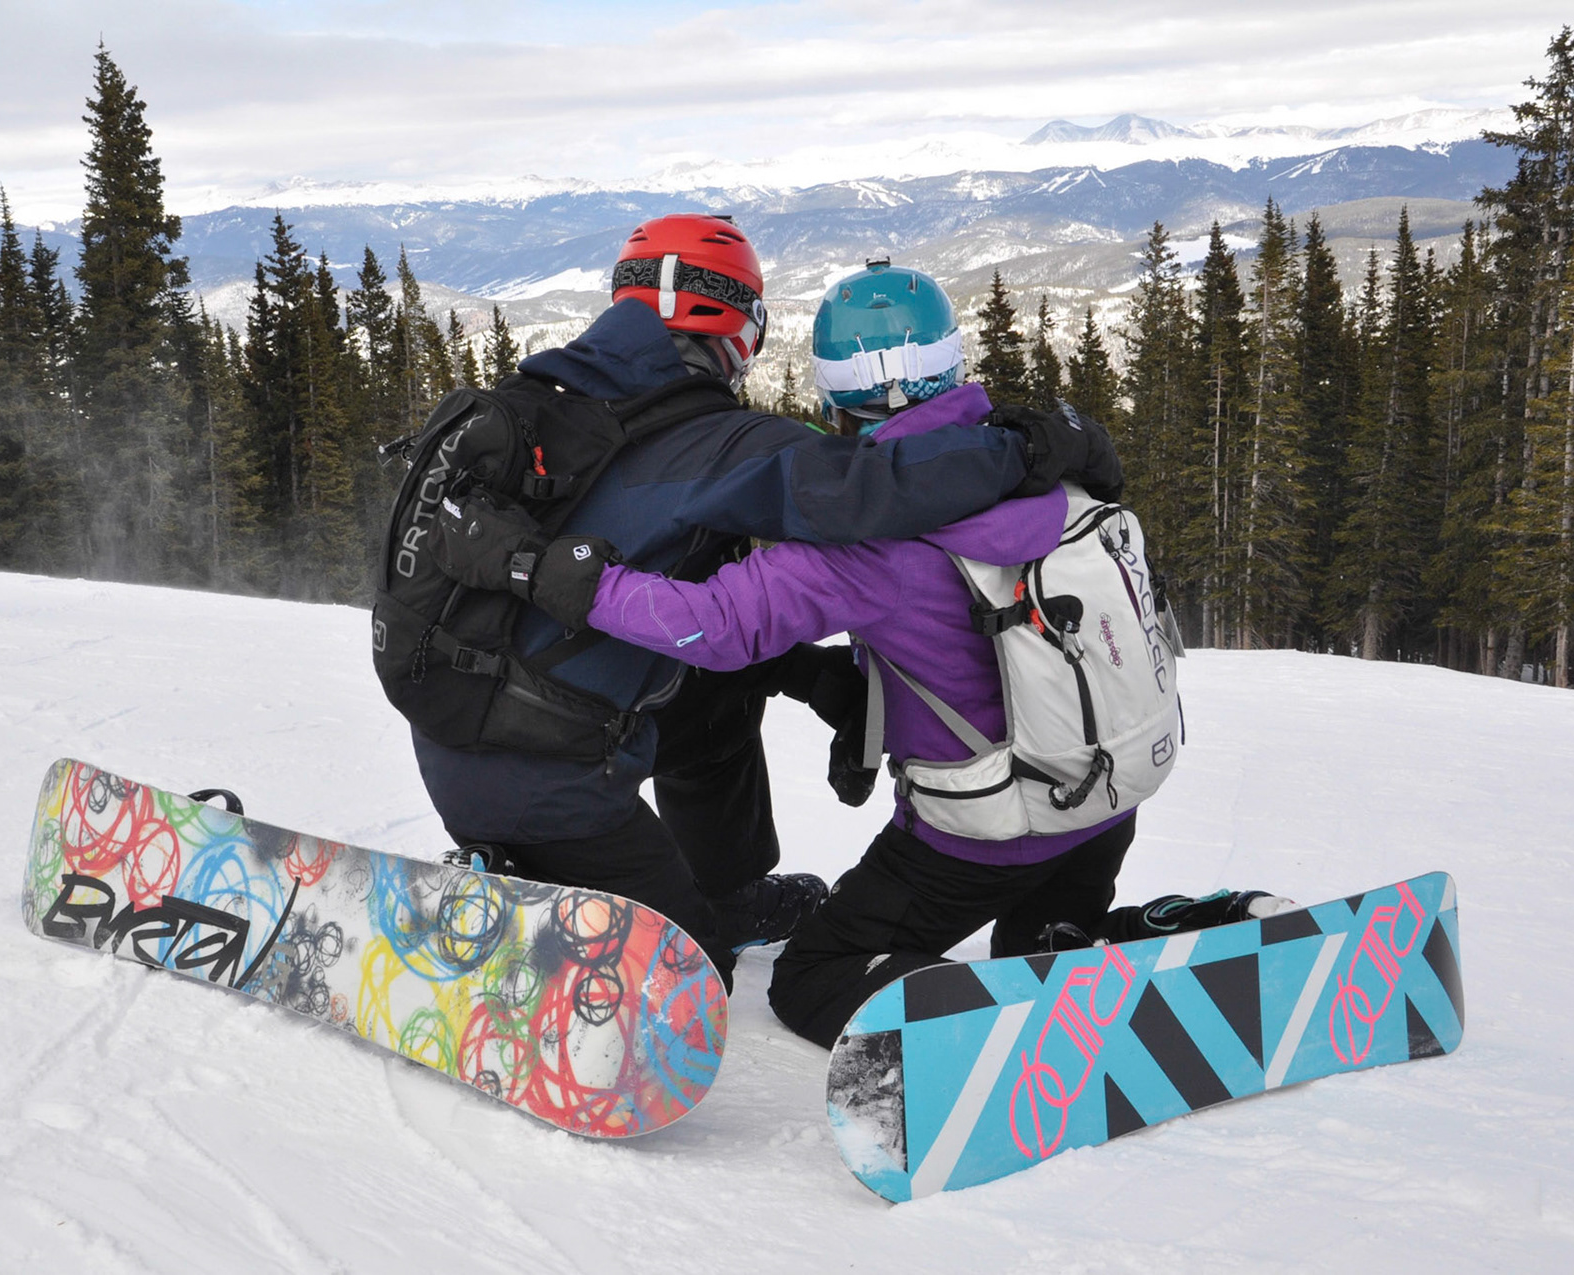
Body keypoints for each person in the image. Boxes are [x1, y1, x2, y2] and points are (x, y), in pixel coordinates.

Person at [434, 259, 1287, 1047]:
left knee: (812, 978)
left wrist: (556, 572)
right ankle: (1169, 932)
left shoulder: (863, 539)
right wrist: (836, 688)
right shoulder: (1038, 464)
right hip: (1106, 799)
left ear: (835, 397)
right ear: (953, 366)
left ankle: (1019, 1023)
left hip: (982, 839)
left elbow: (713, 627)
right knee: (1046, 939)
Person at [398, 216, 1119, 987]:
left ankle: (714, 887)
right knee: (690, 974)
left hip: (453, 722)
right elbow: (868, 494)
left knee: (720, 690)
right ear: (740, 328)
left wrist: (815, 678)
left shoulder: (543, 401)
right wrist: (1041, 444)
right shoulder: (727, 445)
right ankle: (532, 890)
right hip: (555, 780)